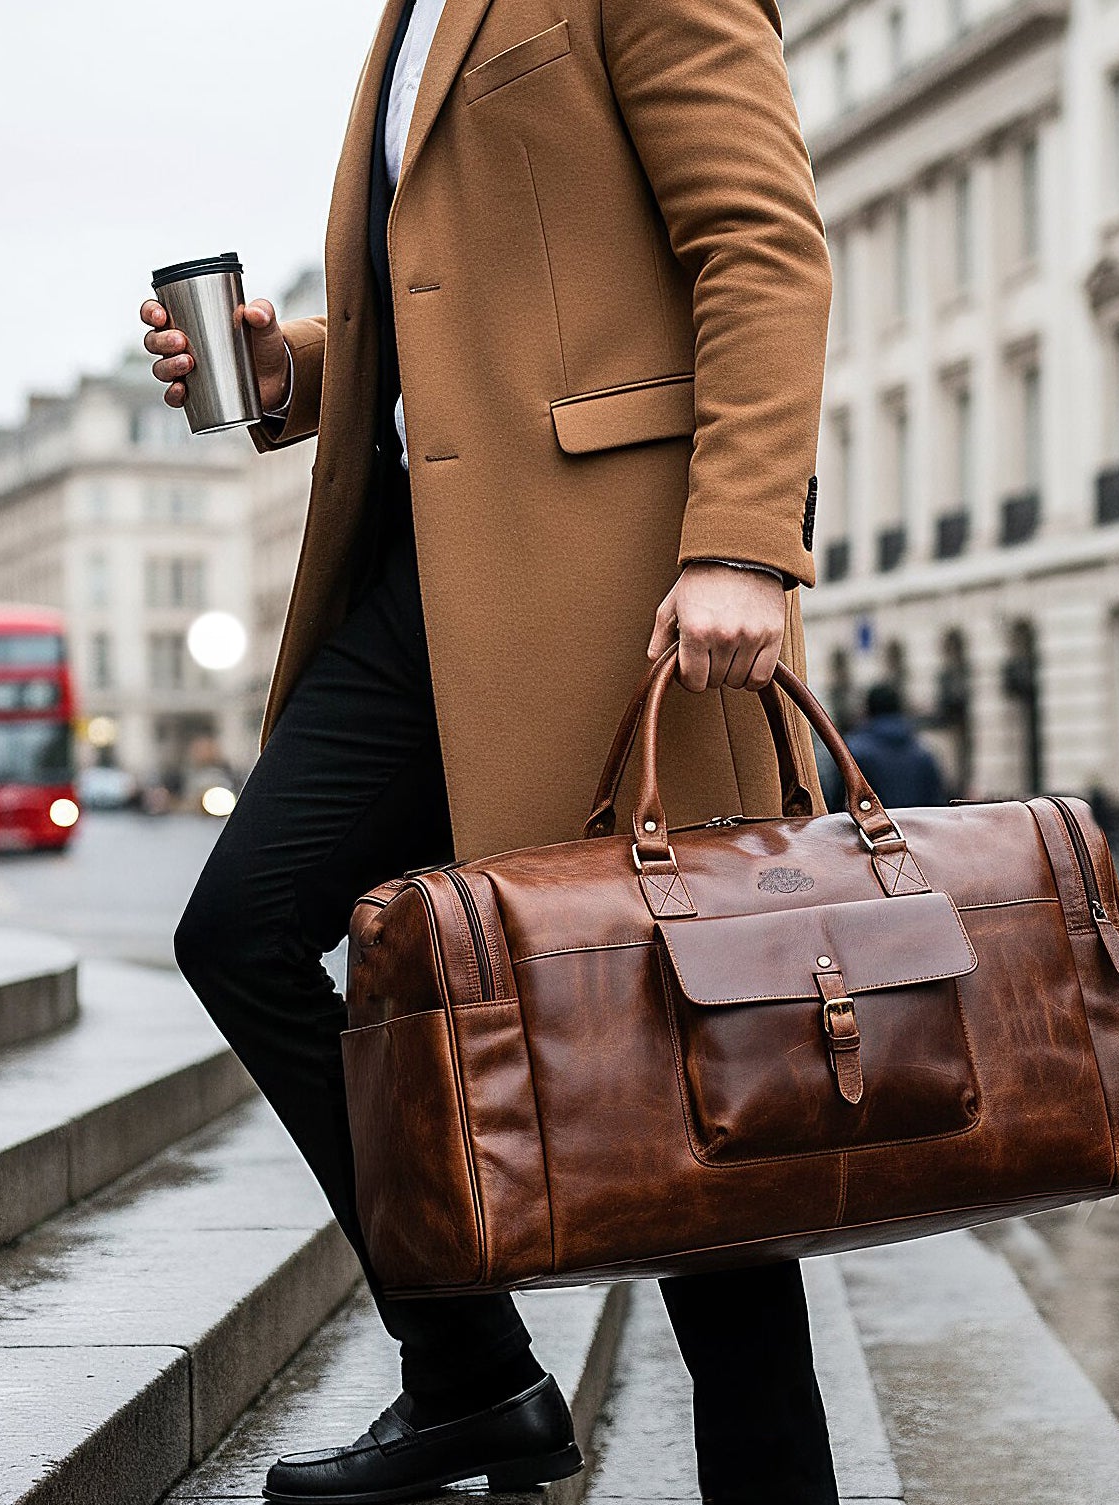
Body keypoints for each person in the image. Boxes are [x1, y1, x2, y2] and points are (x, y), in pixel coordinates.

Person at [153, 1, 838, 1501]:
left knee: (682, 1093)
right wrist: (293, 370)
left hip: (615, 588)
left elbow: (763, 245)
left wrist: (742, 541)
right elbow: (462, 309)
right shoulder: (412, 16)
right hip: (427, 581)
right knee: (246, 925)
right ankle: (465, 1364)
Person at [821, 683, 947, 811]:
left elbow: (838, 803)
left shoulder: (853, 751)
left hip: (871, 829)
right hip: (916, 829)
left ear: (868, 709)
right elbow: (936, 803)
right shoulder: (922, 752)